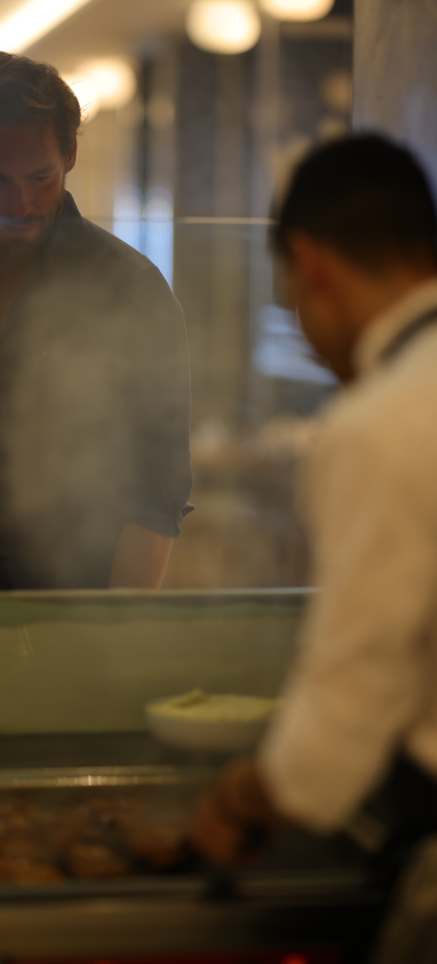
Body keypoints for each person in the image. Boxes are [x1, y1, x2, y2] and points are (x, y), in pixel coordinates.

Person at [192, 134, 437, 865]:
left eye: (290, 297)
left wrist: (243, 794)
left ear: (311, 264)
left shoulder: (378, 423)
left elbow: (354, 692)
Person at [0, 51, 193, 590]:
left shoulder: (130, 287)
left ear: (72, 154)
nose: (21, 204)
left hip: (81, 589)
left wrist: (120, 632)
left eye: (40, 177)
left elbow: (159, 482)